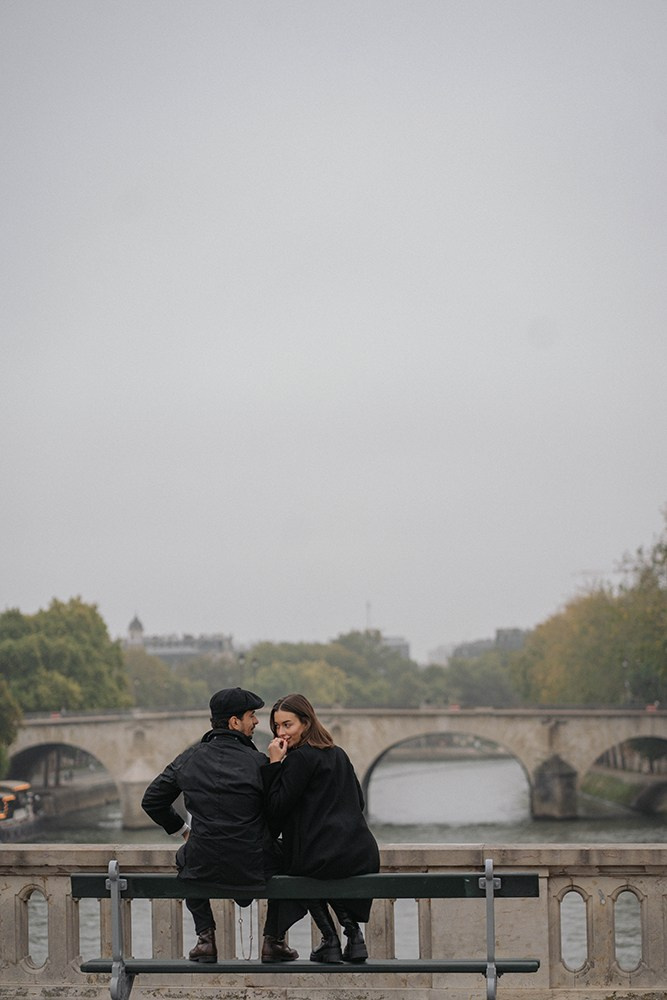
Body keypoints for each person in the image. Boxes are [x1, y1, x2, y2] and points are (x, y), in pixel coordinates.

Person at [141, 687, 298, 964]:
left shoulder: (189, 758)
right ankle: (273, 940)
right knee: (294, 860)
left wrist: (184, 831)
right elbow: (277, 815)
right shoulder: (258, 762)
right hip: (254, 861)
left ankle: (205, 939)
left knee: (185, 858)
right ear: (234, 722)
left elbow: (152, 800)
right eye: (252, 716)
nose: (257, 722)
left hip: (203, 859)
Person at [262, 693, 380, 964]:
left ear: (305, 722)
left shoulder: (299, 759)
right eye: (277, 727)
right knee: (315, 866)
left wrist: (274, 765)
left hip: (323, 856)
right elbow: (358, 801)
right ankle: (353, 936)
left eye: (287, 725)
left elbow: (276, 808)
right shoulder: (338, 754)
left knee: (294, 865)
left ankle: (330, 939)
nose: (281, 733)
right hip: (360, 852)